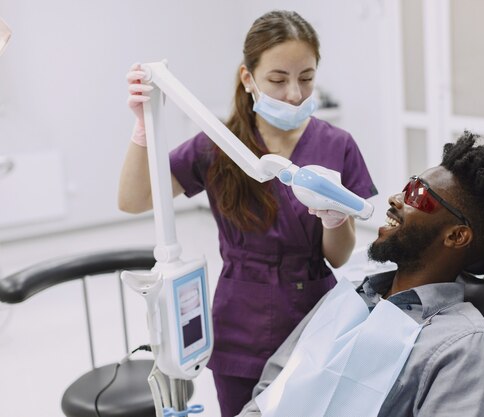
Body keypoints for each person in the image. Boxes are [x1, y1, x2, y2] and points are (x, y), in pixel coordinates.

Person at [118, 9, 377, 417]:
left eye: (306, 78)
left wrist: (334, 217)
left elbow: (339, 256)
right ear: (248, 78)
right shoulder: (218, 145)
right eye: (278, 79)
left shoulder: (337, 145)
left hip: (314, 315)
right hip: (240, 321)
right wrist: (142, 128)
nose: (294, 94)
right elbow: (133, 199)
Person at [237, 131, 484, 417]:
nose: (395, 198)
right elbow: (270, 390)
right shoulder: (351, 295)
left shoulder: (465, 348)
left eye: (418, 196)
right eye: (408, 187)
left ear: (456, 236)